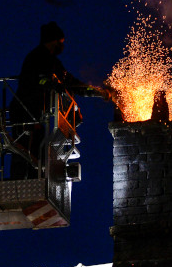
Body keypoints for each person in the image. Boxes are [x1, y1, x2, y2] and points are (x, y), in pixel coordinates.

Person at [9, 21, 108, 179]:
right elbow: (34, 81)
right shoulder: (36, 58)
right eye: (61, 42)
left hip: (36, 115)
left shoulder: (53, 62)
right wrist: (53, 84)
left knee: (37, 151)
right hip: (24, 112)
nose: (62, 46)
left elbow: (72, 84)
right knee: (24, 151)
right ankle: (19, 182)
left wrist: (99, 92)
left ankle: (36, 178)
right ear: (53, 40)